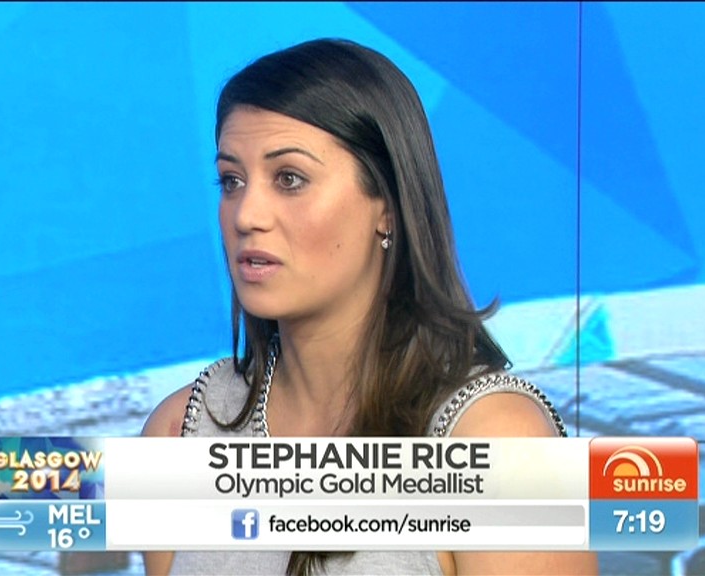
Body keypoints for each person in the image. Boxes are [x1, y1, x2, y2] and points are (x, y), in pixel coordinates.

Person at [142, 38, 598, 576]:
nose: (246, 215)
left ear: (388, 206)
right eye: (231, 181)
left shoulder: (498, 440)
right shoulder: (178, 432)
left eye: (289, 179)